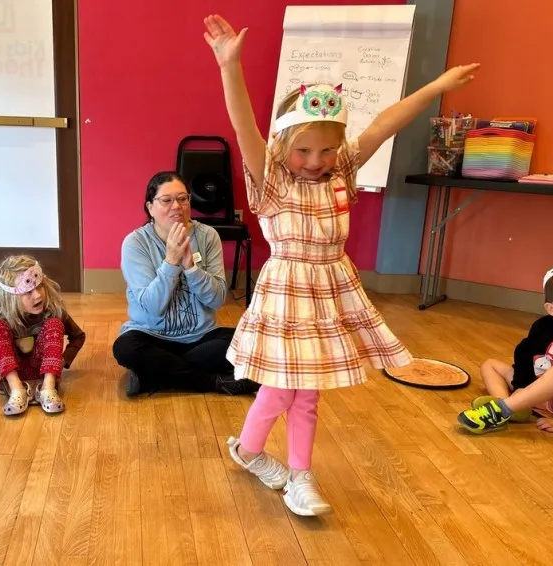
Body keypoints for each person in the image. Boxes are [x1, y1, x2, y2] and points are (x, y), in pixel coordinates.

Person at [203, 13, 479, 516]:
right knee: (283, 389)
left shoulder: (342, 169)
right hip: (287, 292)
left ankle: (300, 476)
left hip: (331, 289)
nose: (317, 159)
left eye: (327, 149)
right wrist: (230, 66)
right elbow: (243, 122)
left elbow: (384, 123)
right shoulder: (270, 179)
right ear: (283, 146)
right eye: (305, 150)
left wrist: (437, 85)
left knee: (308, 393)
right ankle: (247, 450)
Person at [112, 170, 259, 397]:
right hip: (152, 336)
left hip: (200, 337)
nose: (176, 206)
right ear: (150, 207)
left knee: (249, 339)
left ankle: (155, 373)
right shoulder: (135, 243)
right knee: (126, 349)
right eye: (166, 200)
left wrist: (191, 268)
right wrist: (171, 261)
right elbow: (152, 307)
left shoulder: (207, 236)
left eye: (182, 199)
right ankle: (215, 382)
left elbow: (218, 299)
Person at [458, 259, 553, 434]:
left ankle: (500, 409)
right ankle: (509, 408)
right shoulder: (542, 327)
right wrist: (520, 387)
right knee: (491, 365)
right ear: (551, 309)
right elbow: (524, 355)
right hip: (540, 391)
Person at [0, 255, 80, 416]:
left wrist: (61, 361)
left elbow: (78, 336)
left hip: (43, 373)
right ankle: (17, 391)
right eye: (27, 292)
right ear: (10, 298)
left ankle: (48, 389)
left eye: (40, 287)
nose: (38, 295)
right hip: (13, 373)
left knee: (54, 323)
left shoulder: (53, 310)